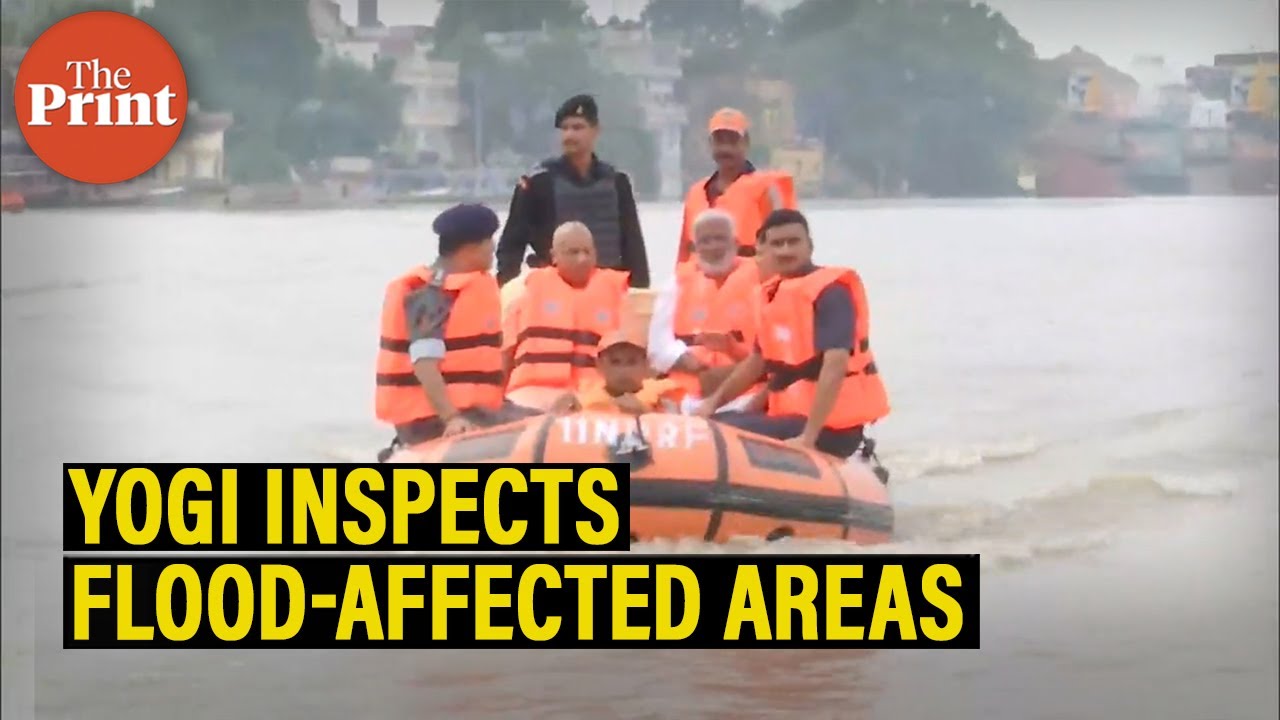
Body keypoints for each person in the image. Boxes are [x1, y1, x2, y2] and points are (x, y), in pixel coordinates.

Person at [695, 208, 889, 459]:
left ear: (809, 245)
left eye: (793, 242)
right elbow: (757, 362)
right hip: (789, 416)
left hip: (830, 428)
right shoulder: (773, 292)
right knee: (703, 425)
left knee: (713, 435)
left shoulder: (830, 292)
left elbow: (835, 365)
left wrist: (809, 437)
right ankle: (628, 494)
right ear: (765, 250)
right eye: (777, 244)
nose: (785, 250)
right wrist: (712, 402)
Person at [374, 204, 541, 460]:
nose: (492, 251)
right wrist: (451, 417)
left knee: (557, 419)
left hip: (477, 410)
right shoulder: (431, 295)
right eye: (489, 243)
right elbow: (424, 363)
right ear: (470, 248)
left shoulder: (466, 287)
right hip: (432, 421)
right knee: (547, 428)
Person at [496, 93, 651, 289]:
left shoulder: (616, 182)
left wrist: (639, 292)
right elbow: (511, 246)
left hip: (607, 291)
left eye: (577, 128)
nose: (569, 135)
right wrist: (507, 293)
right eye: (565, 128)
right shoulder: (538, 183)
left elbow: (633, 245)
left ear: (595, 131)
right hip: (553, 292)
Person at [649, 208, 767, 415]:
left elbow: (773, 351)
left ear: (736, 243)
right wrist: (693, 365)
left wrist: (729, 375)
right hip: (684, 392)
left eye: (720, 239)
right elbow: (658, 347)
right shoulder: (678, 282)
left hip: (745, 392)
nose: (713, 247)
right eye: (705, 241)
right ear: (695, 247)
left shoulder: (763, 279)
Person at [503, 221, 631, 411]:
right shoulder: (524, 290)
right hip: (531, 393)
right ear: (554, 256)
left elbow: (633, 360)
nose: (582, 259)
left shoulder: (618, 294)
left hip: (593, 396)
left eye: (588, 252)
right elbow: (505, 354)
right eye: (573, 252)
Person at [674, 107, 798, 269]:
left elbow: (787, 245)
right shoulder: (696, 193)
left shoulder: (767, 189)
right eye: (719, 141)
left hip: (749, 285)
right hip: (699, 285)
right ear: (710, 144)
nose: (725, 148)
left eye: (732, 141)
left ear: (746, 142)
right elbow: (684, 251)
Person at [551, 331, 685, 415]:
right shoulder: (580, 400)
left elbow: (679, 439)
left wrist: (644, 415)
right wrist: (560, 418)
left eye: (632, 362)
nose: (623, 370)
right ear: (600, 365)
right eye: (615, 362)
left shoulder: (663, 399)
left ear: (646, 365)